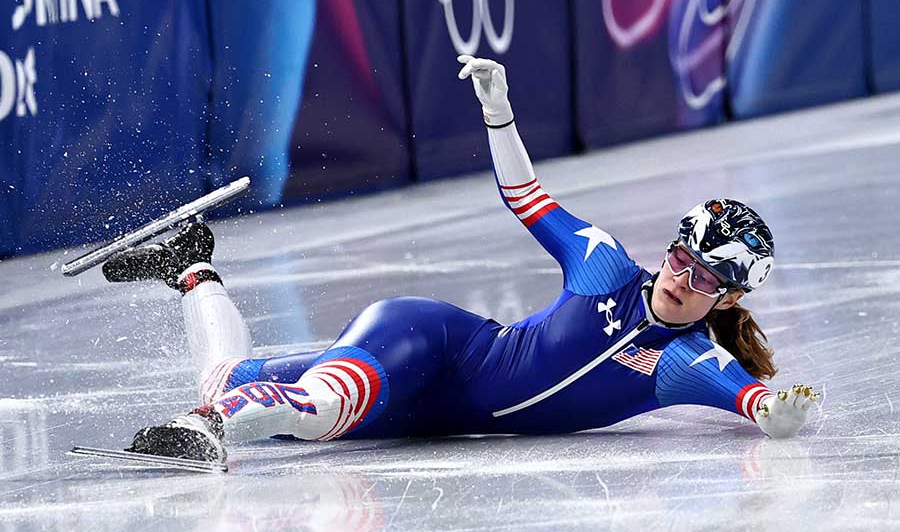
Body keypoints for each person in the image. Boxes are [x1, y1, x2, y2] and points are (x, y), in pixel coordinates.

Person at [101, 56, 818, 464]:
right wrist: (499, 111)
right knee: (321, 407)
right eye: (679, 255)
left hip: (427, 415)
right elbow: (527, 195)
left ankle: (194, 269)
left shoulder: (683, 363)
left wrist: (779, 415)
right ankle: (209, 425)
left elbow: (755, 402)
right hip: (433, 343)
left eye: (702, 277)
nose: (679, 277)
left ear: (726, 299)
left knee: (227, 373)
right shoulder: (602, 263)